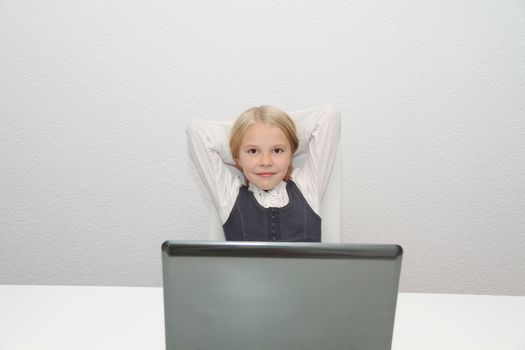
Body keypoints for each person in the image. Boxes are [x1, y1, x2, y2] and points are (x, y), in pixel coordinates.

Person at [187, 103, 341, 242]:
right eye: (253, 151)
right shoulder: (229, 197)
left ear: (291, 155)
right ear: (237, 158)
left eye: (277, 150)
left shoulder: (307, 188)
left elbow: (329, 116)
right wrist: (243, 134)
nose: (266, 162)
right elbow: (197, 131)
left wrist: (283, 128)